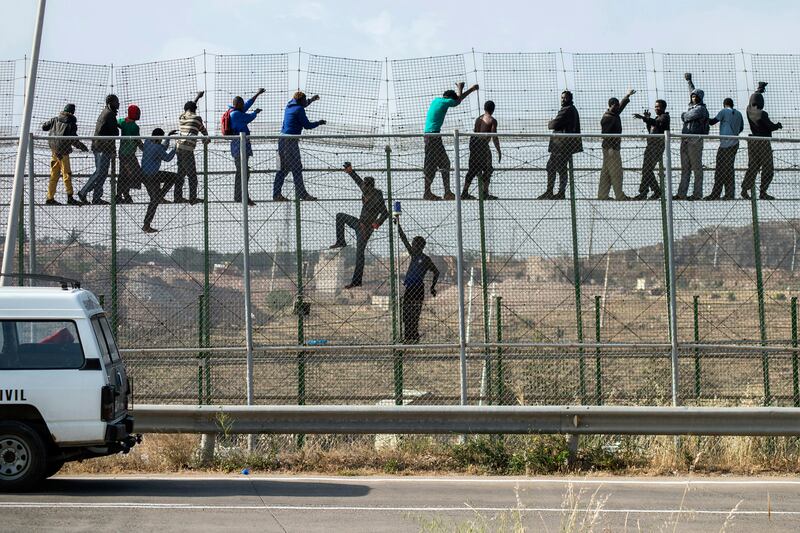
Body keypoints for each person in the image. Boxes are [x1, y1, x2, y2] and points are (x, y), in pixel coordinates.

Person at [329, 162, 389, 289]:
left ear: (371, 188)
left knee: (359, 254)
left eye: (366, 188)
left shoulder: (377, 197)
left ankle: (356, 281)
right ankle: (341, 241)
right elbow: (358, 180)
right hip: (358, 223)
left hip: (365, 229)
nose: (364, 190)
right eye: (364, 188)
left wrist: (377, 223)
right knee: (340, 216)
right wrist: (350, 171)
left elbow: (385, 213)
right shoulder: (365, 188)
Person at [422, 82, 479, 201]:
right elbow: (457, 101)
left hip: (433, 136)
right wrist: (461, 88)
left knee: (444, 163)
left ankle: (447, 192)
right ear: (449, 98)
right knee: (431, 166)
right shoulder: (444, 102)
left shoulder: (437, 100)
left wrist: (468, 90)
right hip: (433, 136)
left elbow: (457, 99)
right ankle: (428, 193)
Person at [273, 91, 325, 202]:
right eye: (304, 101)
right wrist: (318, 123)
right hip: (290, 142)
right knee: (297, 168)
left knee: (282, 169)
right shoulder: (299, 109)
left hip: (281, 140)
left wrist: (311, 99)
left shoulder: (289, 105)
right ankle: (303, 194)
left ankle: (276, 194)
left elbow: (304, 103)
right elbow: (307, 125)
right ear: (301, 101)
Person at [396, 221, 439, 344]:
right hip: (413, 288)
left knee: (412, 314)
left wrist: (432, 287)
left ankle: (412, 338)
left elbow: (436, 272)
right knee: (408, 314)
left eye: (414, 244)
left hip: (416, 288)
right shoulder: (420, 257)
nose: (412, 245)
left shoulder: (421, 257)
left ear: (418, 246)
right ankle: (410, 337)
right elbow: (436, 272)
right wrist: (432, 287)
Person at [742, 81, 782, 200]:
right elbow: (770, 126)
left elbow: (755, 98)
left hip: (753, 141)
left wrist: (759, 89)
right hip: (763, 142)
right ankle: (763, 191)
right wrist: (778, 125)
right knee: (768, 167)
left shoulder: (748, 110)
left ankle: (745, 189)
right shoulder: (762, 114)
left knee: (753, 167)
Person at [41, 103, 88, 206]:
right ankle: (70, 197)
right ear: (73, 112)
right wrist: (82, 147)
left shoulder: (55, 119)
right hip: (63, 152)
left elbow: (44, 127)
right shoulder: (71, 123)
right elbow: (73, 139)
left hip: (54, 151)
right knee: (66, 174)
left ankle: (50, 198)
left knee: (54, 174)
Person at [539, 90, 582, 200]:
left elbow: (554, 124)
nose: (563, 100)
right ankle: (554, 192)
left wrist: (550, 122)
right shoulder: (570, 109)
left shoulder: (566, 110)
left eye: (565, 98)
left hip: (561, 146)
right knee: (554, 167)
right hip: (563, 146)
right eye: (562, 97)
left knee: (558, 168)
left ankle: (558, 192)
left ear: (570, 99)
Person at [79, 94, 120, 205]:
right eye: (116, 102)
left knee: (102, 173)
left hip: (101, 147)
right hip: (102, 147)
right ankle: (83, 192)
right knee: (99, 172)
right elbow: (115, 133)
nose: (118, 104)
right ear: (110, 103)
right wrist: (118, 126)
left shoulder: (106, 113)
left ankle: (96, 197)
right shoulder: (109, 114)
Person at [229, 88, 266, 206]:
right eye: (241, 104)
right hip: (239, 148)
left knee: (243, 172)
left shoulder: (234, 111)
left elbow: (248, 104)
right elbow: (249, 118)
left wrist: (258, 94)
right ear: (237, 105)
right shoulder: (236, 114)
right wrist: (255, 113)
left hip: (240, 147)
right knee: (243, 172)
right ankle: (241, 196)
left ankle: (241, 196)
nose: (243, 105)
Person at [675, 73, 709, 201]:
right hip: (685, 140)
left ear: (700, 98)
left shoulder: (700, 109)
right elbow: (692, 90)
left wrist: (684, 114)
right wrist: (689, 81)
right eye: (692, 96)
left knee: (696, 169)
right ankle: (681, 193)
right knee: (685, 169)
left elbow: (686, 117)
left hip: (694, 141)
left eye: (696, 96)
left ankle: (697, 194)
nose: (693, 97)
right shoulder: (693, 106)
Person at [598, 89, 636, 200]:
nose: (618, 107)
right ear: (610, 106)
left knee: (606, 172)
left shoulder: (613, 114)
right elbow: (605, 134)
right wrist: (610, 147)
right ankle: (620, 195)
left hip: (609, 148)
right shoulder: (608, 118)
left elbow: (621, 106)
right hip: (611, 149)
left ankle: (602, 194)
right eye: (615, 105)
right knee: (616, 172)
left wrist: (627, 95)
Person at [139, 128, 179, 233]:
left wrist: (168, 137)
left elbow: (162, 148)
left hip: (145, 175)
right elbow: (167, 158)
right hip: (152, 176)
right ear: (159, 138)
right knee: (175, 177)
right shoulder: (157, 148)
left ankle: (147, 224)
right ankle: (146, 224)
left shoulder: (148, 142)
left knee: (154, 200)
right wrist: (175, 148)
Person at [461, 100, 501, 200]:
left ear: (484, 108)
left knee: (472, 169)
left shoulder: (478, 119)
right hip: (482, 145)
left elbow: (475, 132)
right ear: (493, 109)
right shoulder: (492, 120)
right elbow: (494, 137)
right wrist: (499, 151)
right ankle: (484, 193)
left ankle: (464, 192)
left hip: (474, 144)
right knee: (488, 169)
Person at [706, 98, 744, 200]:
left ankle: (715, 194)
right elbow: (741, 128)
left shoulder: (724, 111)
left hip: (725, 145)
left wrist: (704, 117)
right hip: (735, 144)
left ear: (724, 105)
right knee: (729, 169)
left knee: (720, 170)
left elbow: (712, 122)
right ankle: (729, 194)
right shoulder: (739, 114)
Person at [174, 91, 208, 204]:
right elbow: (204, 132)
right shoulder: (197, 118)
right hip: (188, 150)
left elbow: (190, 106)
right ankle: (192, 198)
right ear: (195, 109)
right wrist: (207, 139)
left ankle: (177, 196)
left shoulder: (182, 117)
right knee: (192, 176)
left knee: (181, 173)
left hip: (178, 148)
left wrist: (197, 97)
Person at [632, 99, 670, 200]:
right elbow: (652, 128)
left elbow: (657, 124)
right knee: (646, 169)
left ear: (663, 107)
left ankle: (648, 192)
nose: (656, 108)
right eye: (656, 106)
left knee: (647, 169)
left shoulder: (665, 117)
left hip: (656, 147)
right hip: (651, 146)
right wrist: (647, 120)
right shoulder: (657, 118)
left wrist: (644, 118)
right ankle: (651, 191)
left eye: (658, 107)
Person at [117, 105, 144, 204]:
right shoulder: (135, 127)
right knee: (135, 174)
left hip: (122, 153)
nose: (139, 114)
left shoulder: (122, 122)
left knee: (123, 175)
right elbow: (137, 140)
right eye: (137, 113)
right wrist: (145, 149)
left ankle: (120, 195)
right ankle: (125, 193)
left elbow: (117, 122)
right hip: (129, 154)